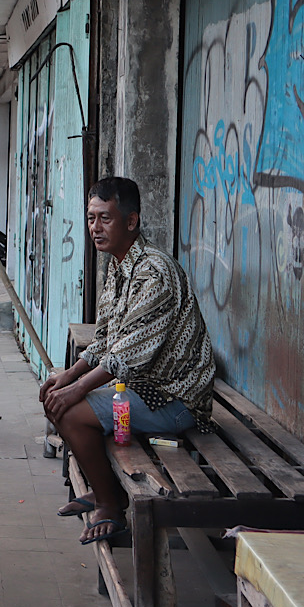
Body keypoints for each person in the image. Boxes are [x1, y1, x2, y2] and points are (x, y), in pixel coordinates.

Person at [39, 176, 215, 545]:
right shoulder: (119, 266)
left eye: (105, 218)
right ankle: (106, 490)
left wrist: (76, 391)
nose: (95, 228)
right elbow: (104, 339)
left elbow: (125, 356)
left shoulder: (154, 272)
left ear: (131, 221)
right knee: (57, 398)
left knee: (70, 411)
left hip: (175, 400)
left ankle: (111, 505)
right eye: (91, 218)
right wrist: (66, 377)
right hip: (141, 389)